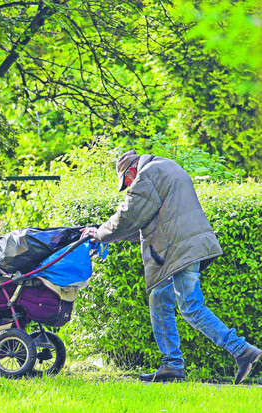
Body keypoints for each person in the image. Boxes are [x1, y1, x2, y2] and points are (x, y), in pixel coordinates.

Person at [81, 149, 261, 383]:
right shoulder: (167, 166)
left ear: (132, 170)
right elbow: (151, 220)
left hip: (179, 249)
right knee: (159, 299)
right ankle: (172, 365)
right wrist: (108, 235)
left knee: (190, 306)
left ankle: (242, 350)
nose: (128, 186)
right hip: (180, 247)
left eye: (127, 182)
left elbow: (129, 215)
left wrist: (100, 232)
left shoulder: (148, 174)